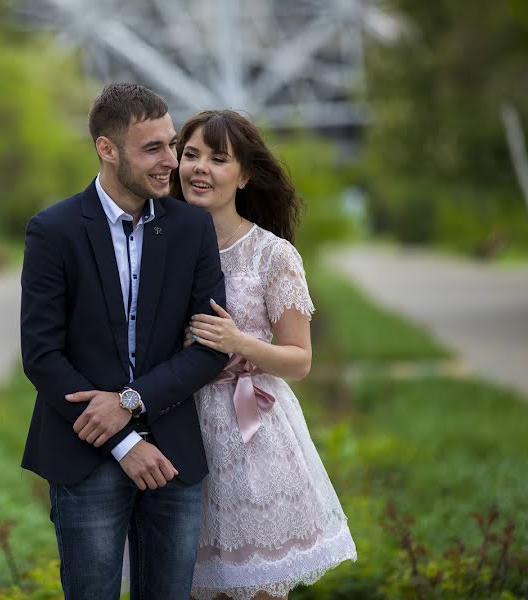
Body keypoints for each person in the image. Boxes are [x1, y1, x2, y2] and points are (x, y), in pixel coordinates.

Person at [19, 83, 229, 599]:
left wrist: (131, 403)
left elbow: (211, 346)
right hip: (83, 455)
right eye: (152, 148)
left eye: (171, 144)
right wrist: (123, 439)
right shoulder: (54, 230)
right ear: (107, 149)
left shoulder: (191, 229)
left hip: (173, 453)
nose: (171, 162)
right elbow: (42, 355)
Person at [171, 110, 357, 600]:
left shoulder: (272, 255)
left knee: (256, 588)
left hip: (251, 440)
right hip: (179, 434)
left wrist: (239, 343)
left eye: (218, 158)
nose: (200, 168)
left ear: (244, 175)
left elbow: (300, 359)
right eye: (190, 155)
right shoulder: (159, 244)